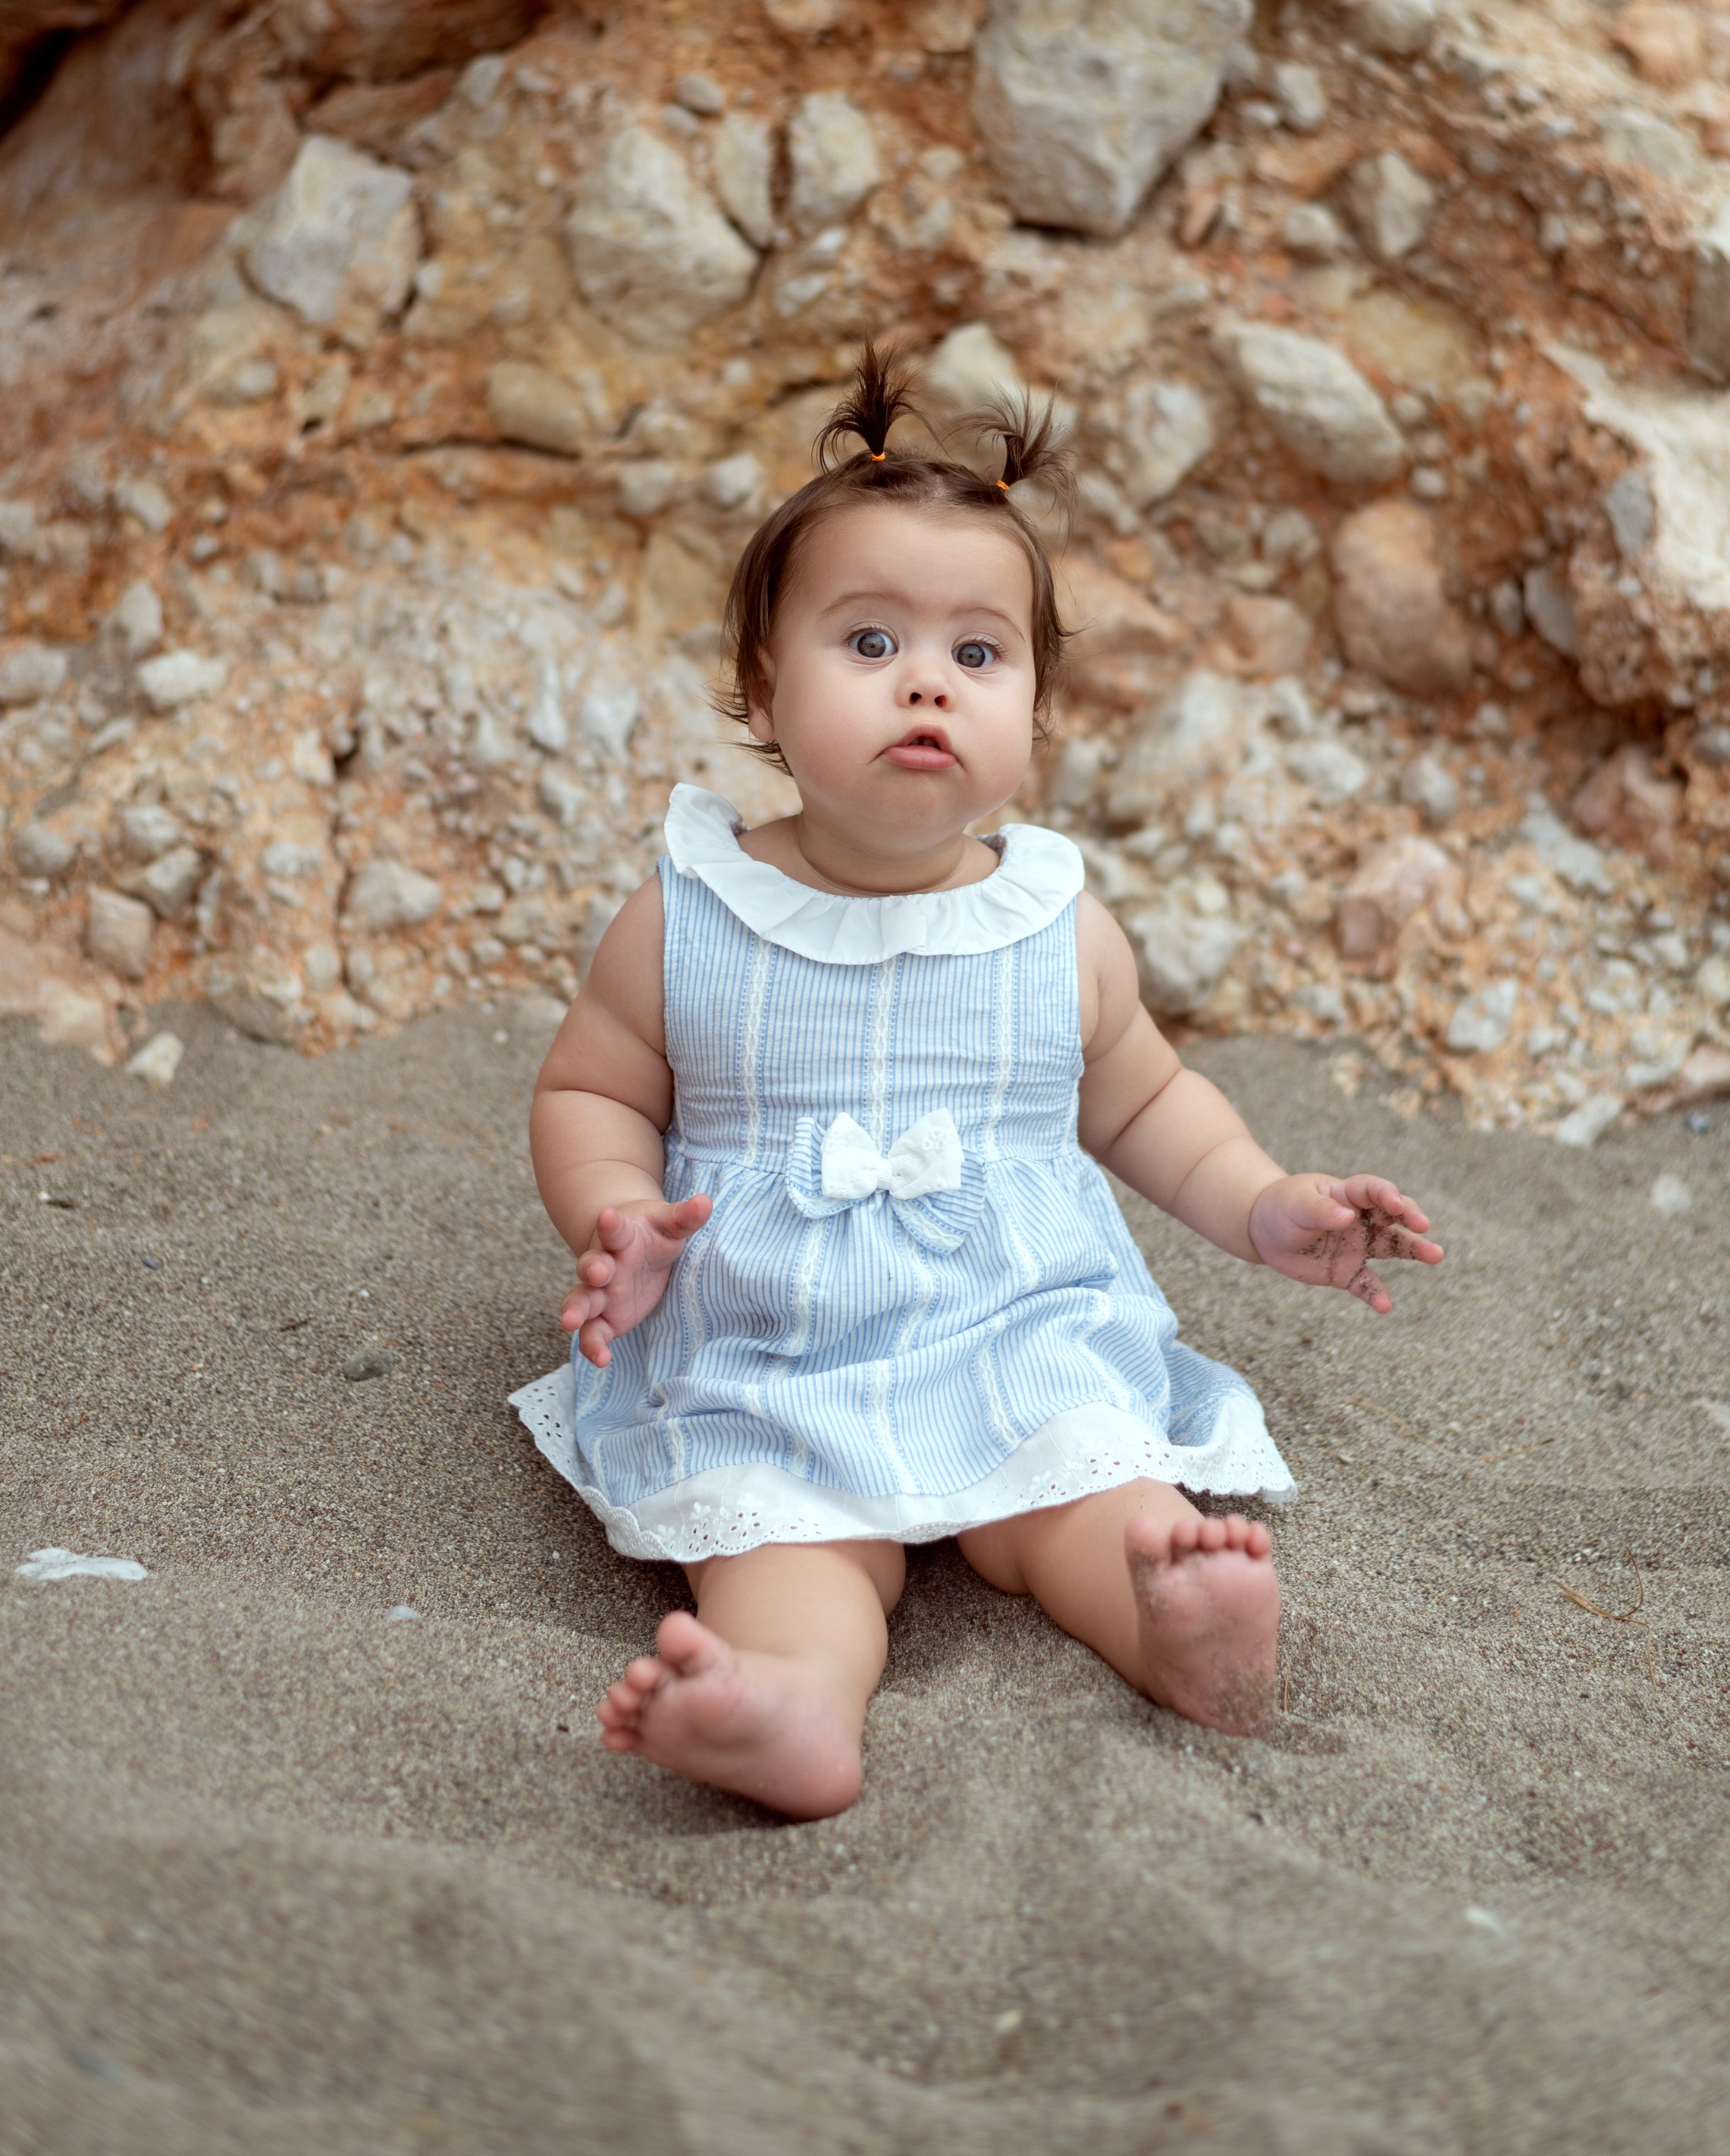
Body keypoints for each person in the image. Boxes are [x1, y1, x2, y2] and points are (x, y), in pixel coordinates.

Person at [513, 346, 1440, 1818]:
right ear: (762, 683)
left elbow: (1139, 1103)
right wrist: (617, 1212)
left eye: (976, 653)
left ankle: (1177, 1633)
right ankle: (790, 1704)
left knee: (1091, 1490)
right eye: (867, 642)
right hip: (772, 1340)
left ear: (1034, 704)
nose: (925, 681)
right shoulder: (688, 915)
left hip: (1013, 1318)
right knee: (780, 1544)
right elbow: (589, 1093)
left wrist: (1262, 1203)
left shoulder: (1054, 927)